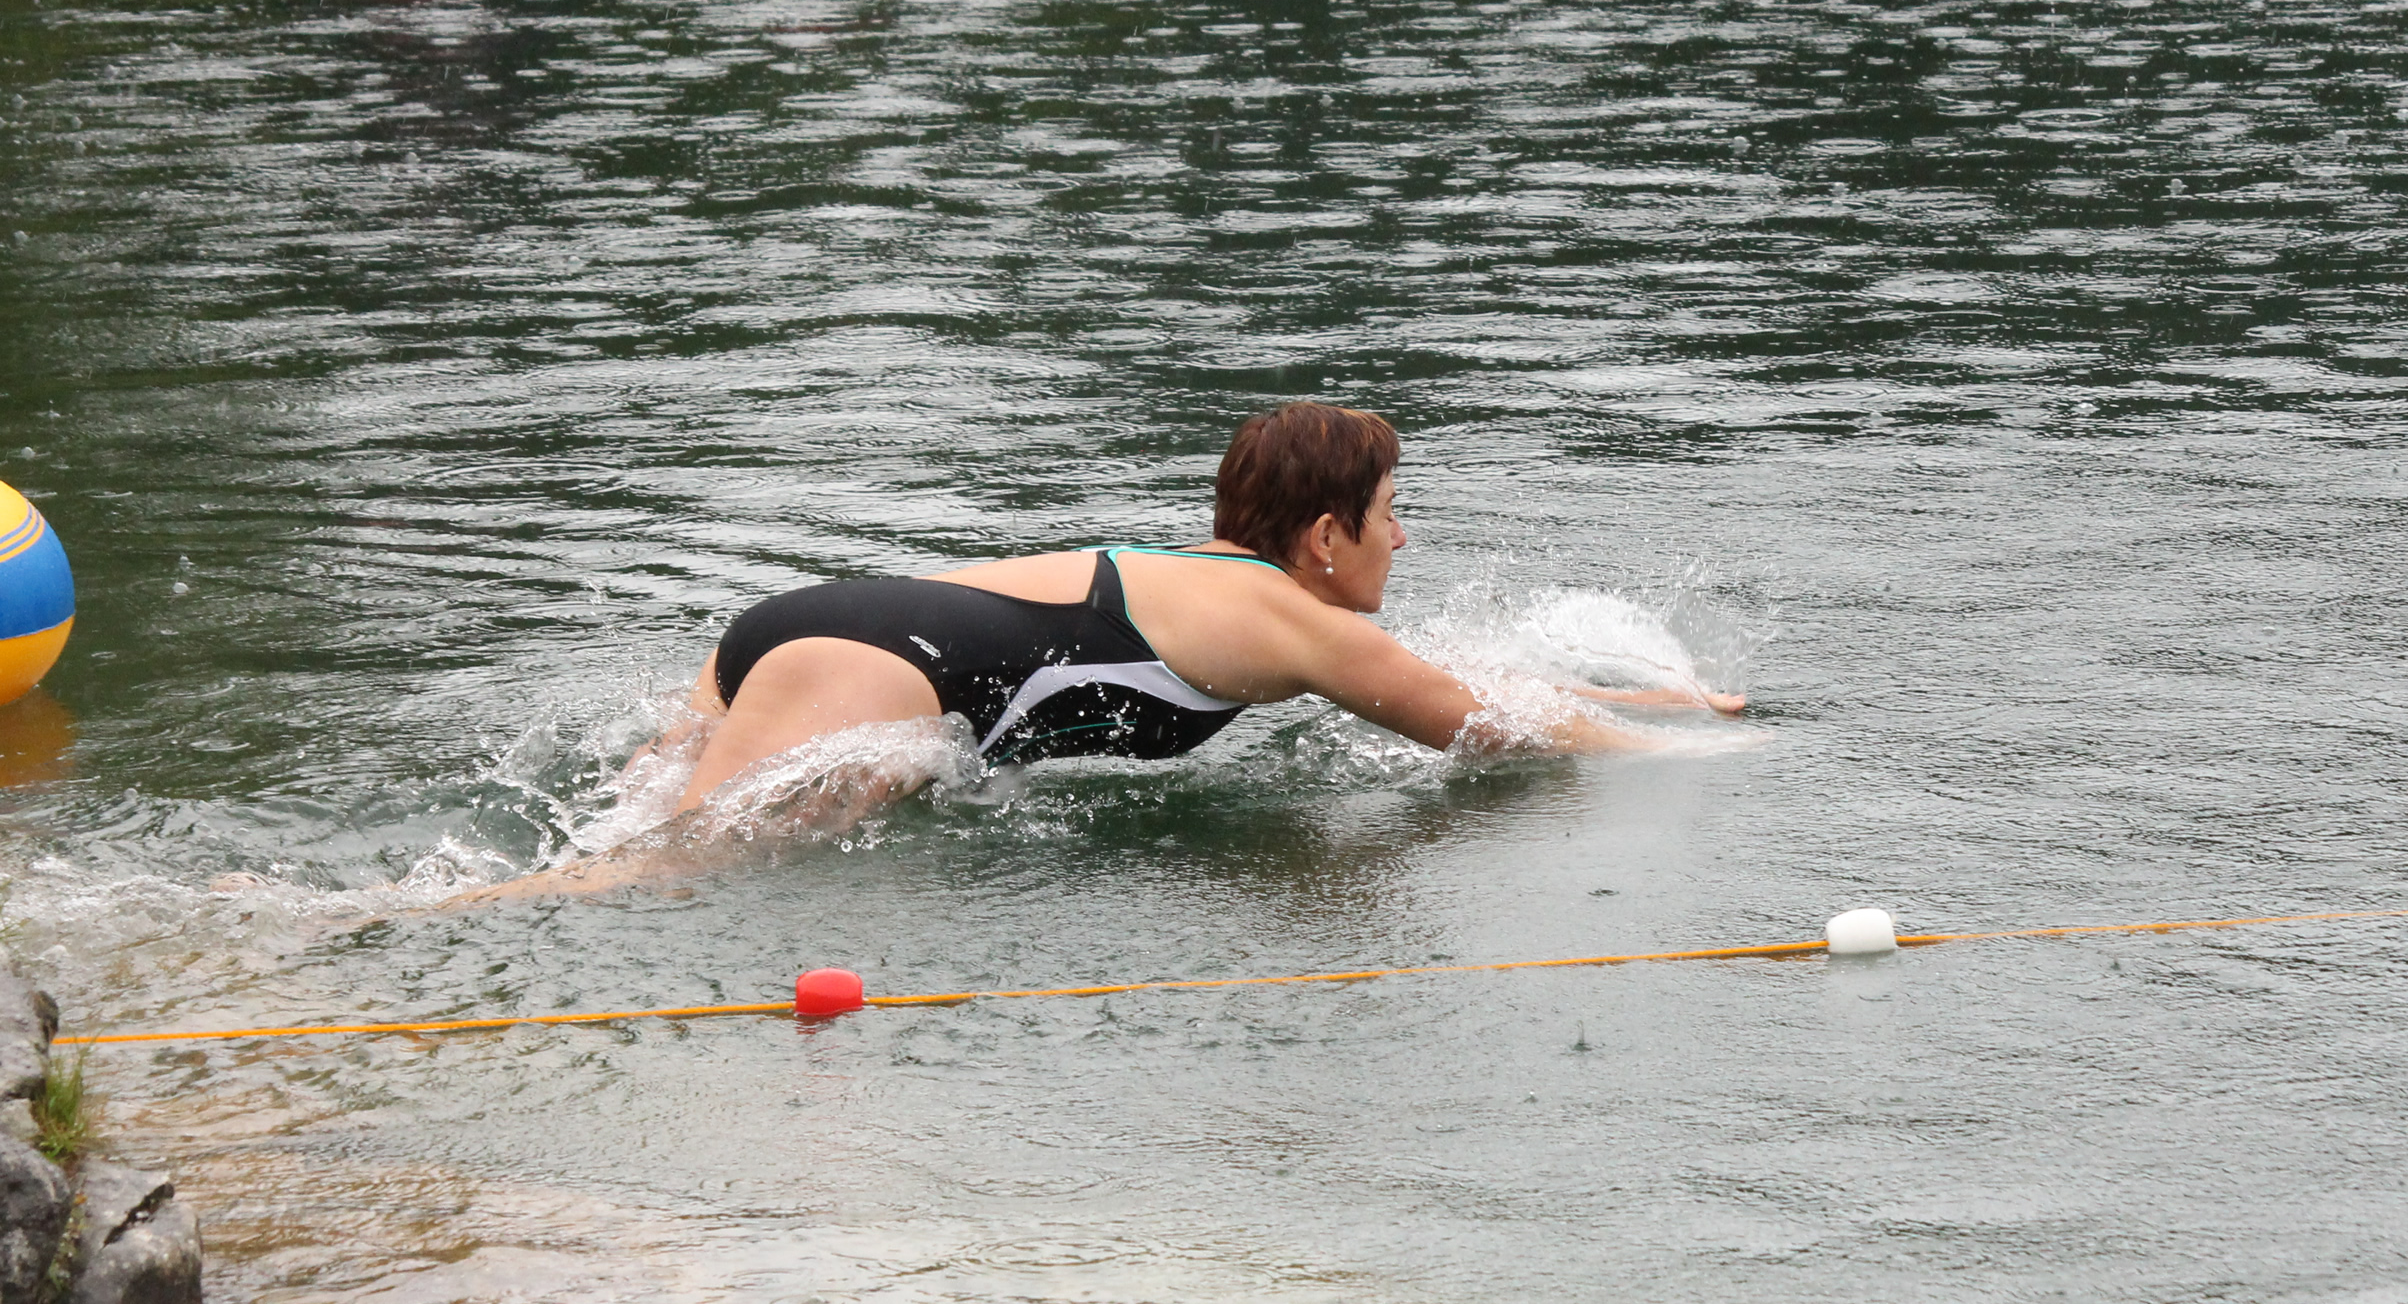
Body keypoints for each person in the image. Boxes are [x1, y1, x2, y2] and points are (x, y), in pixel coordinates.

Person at [453, 404, 1740, 899]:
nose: (1403, 538)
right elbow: (1477, 726)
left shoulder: (1225, 587)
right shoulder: (1288, 621)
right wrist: (1678, 761)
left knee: (624, 836)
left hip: (797, 628)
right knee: (654, 880)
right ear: (1325, 535)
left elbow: (1471, 679)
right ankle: (379, 929)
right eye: (1393, 511)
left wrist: (1656, 698)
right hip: (868, 665)